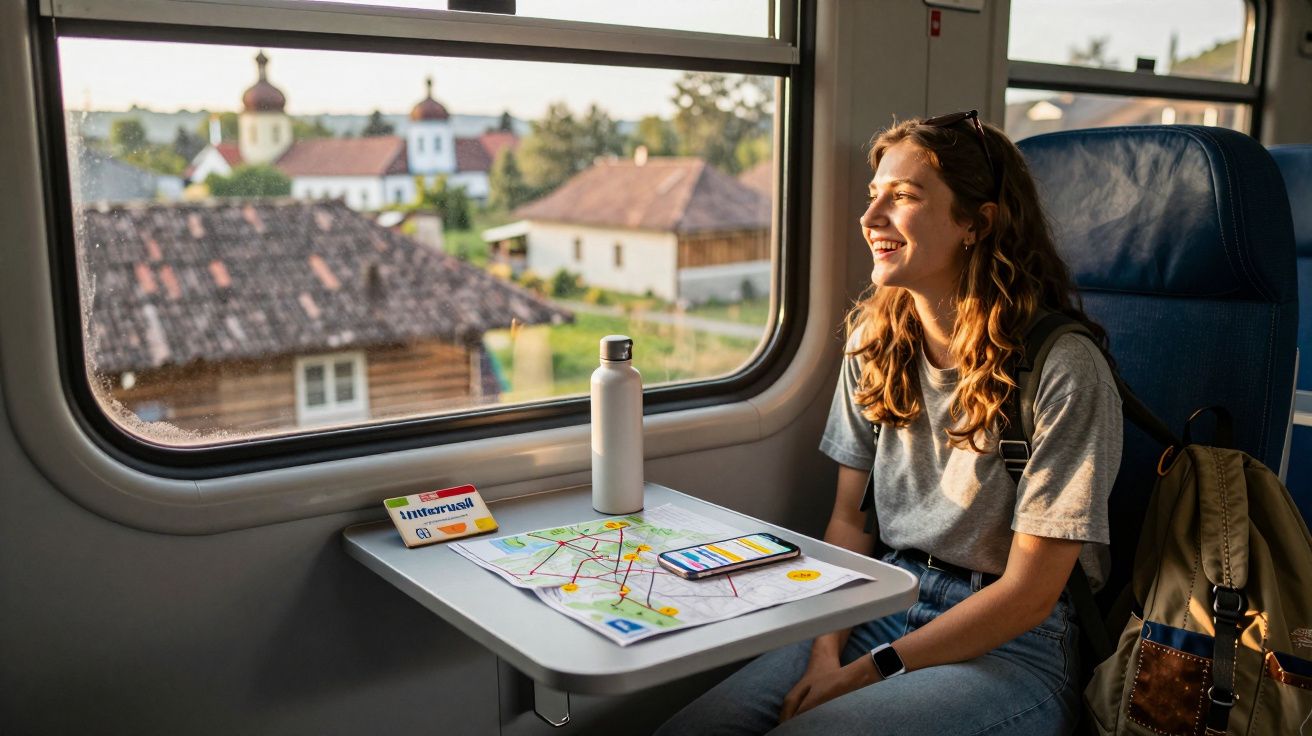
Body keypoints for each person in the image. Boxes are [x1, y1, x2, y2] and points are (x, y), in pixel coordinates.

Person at [653, 111, 1123, 736]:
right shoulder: (874, 342)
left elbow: (1030, 595)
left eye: (902, 197)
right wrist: (825, 650)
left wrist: (860, 675)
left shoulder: (1063, 369)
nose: (871, 219)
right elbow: (850, 522)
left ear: (976, 223)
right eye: (875, 196)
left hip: (1015, 645)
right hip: (883, 596)